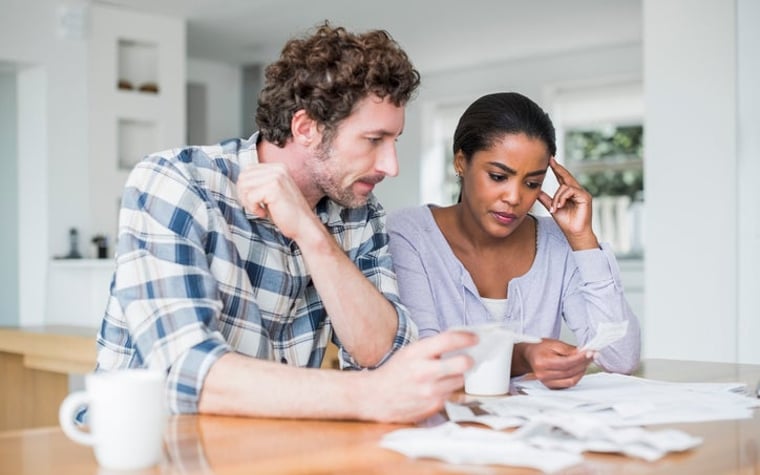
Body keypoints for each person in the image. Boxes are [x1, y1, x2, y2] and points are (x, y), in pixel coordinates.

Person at [95, 22, 476, 424]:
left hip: (272, 448)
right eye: (373, 140)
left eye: (394, 141)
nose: (390, 166)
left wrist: (311, 233)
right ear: (306, 128)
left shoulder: (359, 212)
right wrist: (365, 396)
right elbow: (185, 371)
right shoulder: (177, 182)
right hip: (154, 447)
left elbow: (383, 354)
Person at [387, 92, 640, 389]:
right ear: (460, 162)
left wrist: (583, 240)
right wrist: (522, 355)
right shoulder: (410, 234)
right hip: (439, 429)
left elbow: (621, 358)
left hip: (533, 429)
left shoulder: (556, 243)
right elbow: (420, 359)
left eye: (532, 183)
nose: (515, 198)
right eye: (497, 176)